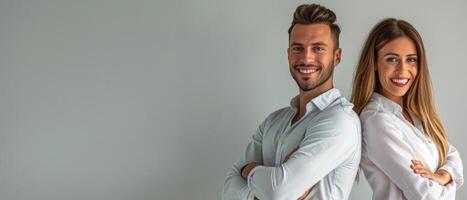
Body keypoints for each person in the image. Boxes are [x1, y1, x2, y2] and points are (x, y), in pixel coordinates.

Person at [222, 4, 361, 200]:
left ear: (336, 57)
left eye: (318, 48)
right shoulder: (273, 121)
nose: (306, 58)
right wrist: (264, 189)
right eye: (298, 48)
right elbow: (228, 190)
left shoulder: (340, 121)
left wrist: (248, 169)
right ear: (288, 54)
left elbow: (277, 191)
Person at [351, 18, 464, 200]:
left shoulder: (415, 113)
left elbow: (452, 155)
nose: (403, 69)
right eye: (392, 59)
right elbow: (428, 196)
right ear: (374, 64)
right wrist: (451, 179)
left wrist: (443, 175)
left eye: (411, 60)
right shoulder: (377, 120)